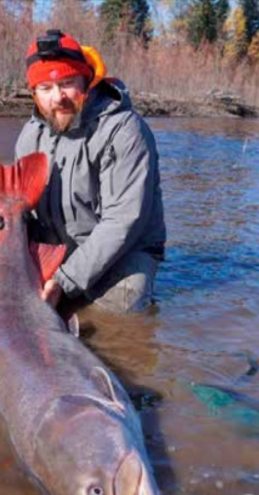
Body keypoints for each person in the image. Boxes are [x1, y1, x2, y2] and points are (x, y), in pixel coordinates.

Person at [13, 29, 166, 313]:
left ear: (87, 81)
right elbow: (24, 205)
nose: (57, 97)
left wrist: (63, 281)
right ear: (33, 93)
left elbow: (123, 222)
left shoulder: (125, 130)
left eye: (67, 83)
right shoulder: (30, 135)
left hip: (124, 251)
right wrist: (9, 225)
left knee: (121, 315)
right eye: (45, 88)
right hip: (58, 246)